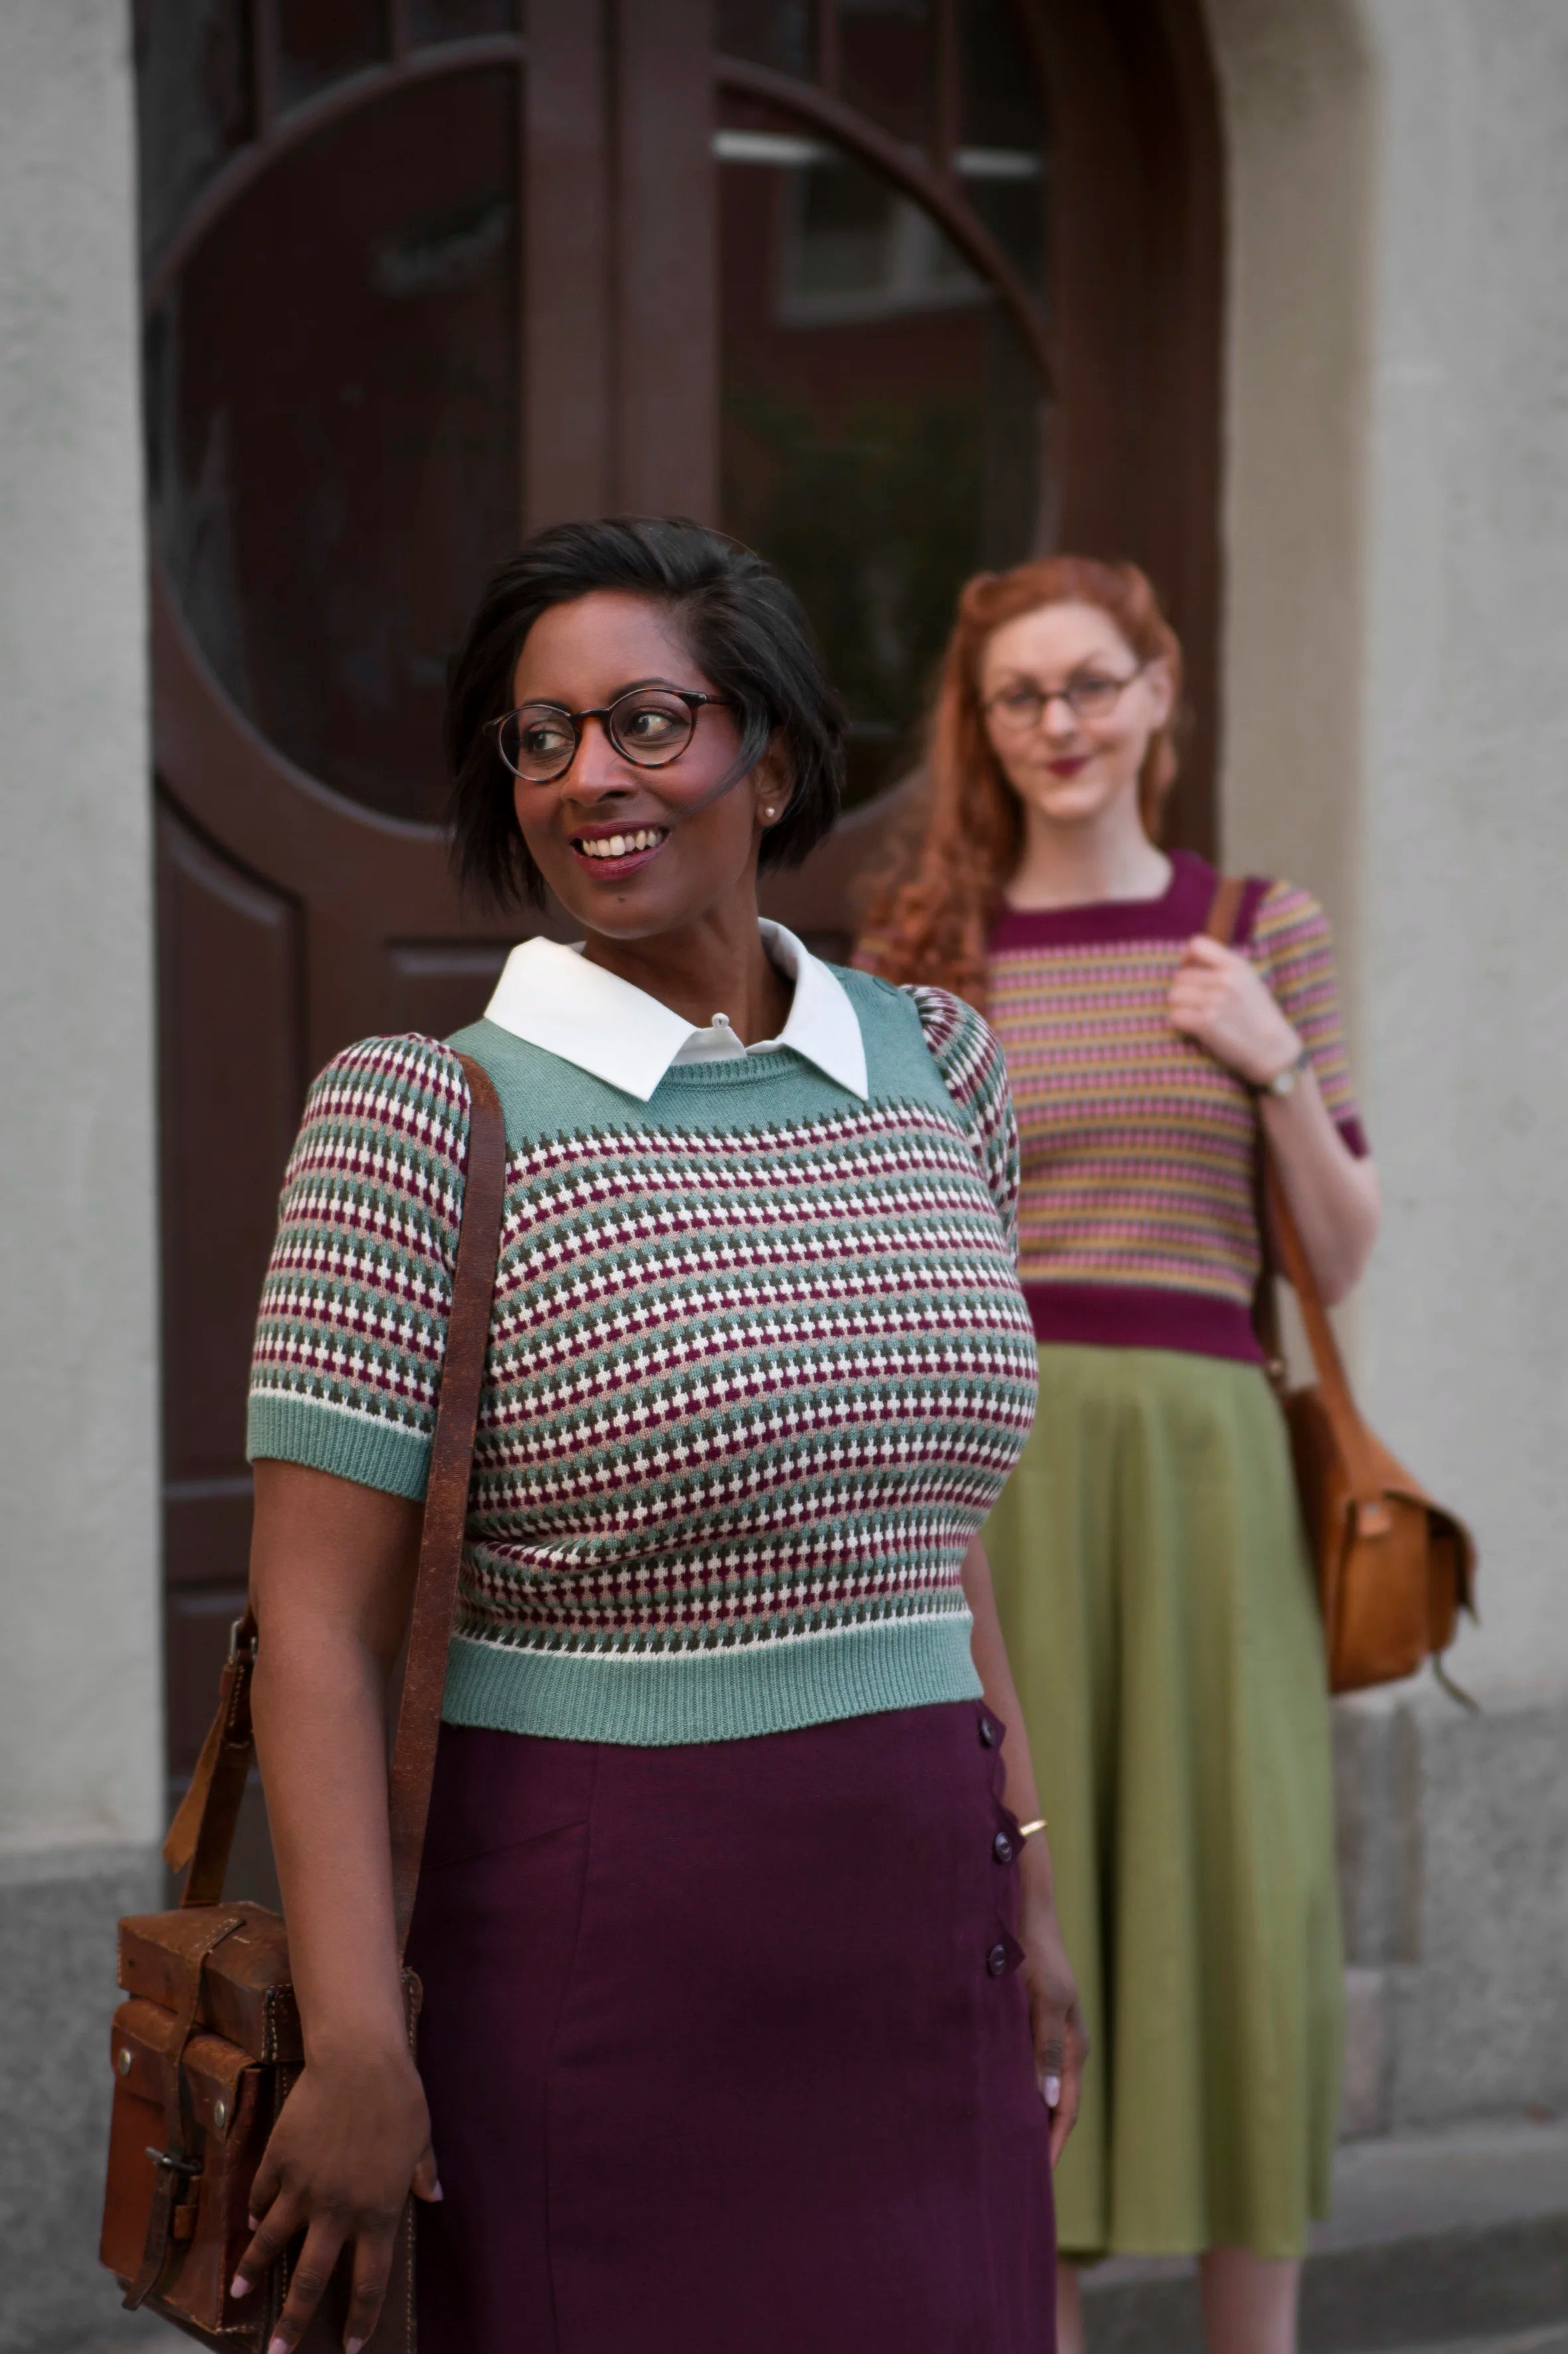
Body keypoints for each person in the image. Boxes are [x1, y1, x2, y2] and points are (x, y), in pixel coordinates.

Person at [230, 517, 1086, 2353]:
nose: (588, 777)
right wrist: (360, 2040)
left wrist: (1026, 1870)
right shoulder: (419, 1118)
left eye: (645, 721)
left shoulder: (940, 1067)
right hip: (599, 1959)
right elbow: (314, 1628)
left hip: (921, 1923)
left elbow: (930, 1527)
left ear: (769, 756)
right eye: (541, 739)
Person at [856, 555, 1379, 2354]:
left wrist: (1273, 1063)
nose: (1058, 723)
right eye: (1020, 695)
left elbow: (1344, 1254)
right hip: (993, 1478)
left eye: (1090, 682)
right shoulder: (920, 957)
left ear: (1159, 693)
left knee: (1240, 1907)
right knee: (1020, 1906)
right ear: (981, 725)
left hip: (1207, 1473)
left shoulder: (1259, 929)